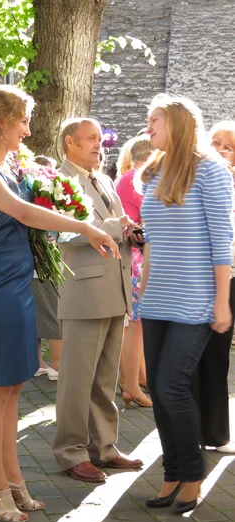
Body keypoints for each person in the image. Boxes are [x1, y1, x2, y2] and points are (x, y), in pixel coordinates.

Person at [0, 86, 120, 522]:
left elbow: (35, 199)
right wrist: (87, 225)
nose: (27, 128)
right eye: (23, 120)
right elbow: (24, 214)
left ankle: (15, 481)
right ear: (2, 122)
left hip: (20, 285)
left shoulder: (8, 167)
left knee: (14, 388)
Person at [139, 95, 233, 514]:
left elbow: (222, 242)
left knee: (171, 387)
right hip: (157, 297)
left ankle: (193, 474)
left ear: (177, 122)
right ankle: (172, 473)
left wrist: (223, 302)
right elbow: (155, 240)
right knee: (159, 393)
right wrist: (143, 287)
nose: (148, 128)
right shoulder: (153, 171)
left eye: (154, 120)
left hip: (195, 298)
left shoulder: (211, 169)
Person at [52, 117, 143, 484]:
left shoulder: (103, 179)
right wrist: (115, 227)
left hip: (115, 289)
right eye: (90, 139)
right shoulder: (58, 180)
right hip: (83, 290)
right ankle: (70, 452)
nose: (98, 145)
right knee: (77, 379)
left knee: (105, 377)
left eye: (100, 139)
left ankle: (103, 447)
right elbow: (62, 231)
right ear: (70, 143)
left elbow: (117, 222)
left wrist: (131, 232)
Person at [191, 120, 235, 454]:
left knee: (218, 357)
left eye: (229, 147)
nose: (220, 150)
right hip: (209, 279)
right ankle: (203, 432)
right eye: (216, 142)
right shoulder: (201, 179)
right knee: (206, 355)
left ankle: (215, 432)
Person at [116, 136, 153, 408]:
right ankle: (131, 385)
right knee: (135, 327)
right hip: (137, 259)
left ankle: (136, 378)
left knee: (133, 326)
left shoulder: (125, 178)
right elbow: (140, 225)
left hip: (133, 258)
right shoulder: (135, 180)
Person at [31, 155, 62, 381]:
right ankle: (57, 366)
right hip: (41, 265)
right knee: (53, 314)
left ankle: (37, 363)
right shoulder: (38, 201)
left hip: (35, 264)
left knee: (37, 315)